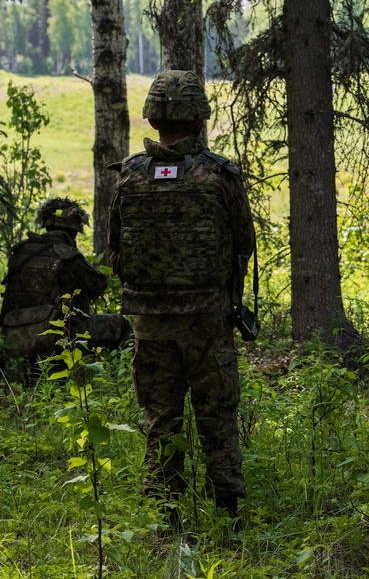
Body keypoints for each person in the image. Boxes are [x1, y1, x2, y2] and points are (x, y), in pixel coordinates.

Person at [108, 69, 255, 528]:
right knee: (217, 419)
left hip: (150, 325)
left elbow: (114, 249)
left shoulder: (129, 178)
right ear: (198, 119)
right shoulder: (220, 176)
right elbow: (243, 241)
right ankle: (229, 519)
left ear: (152, 118)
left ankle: (164, 518)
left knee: (160, 421)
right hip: (208, 323)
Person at [0, 198, 131, 375]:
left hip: (15, 337)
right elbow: (98, 286)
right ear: (75, 228)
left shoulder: (21, 251)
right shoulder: (67, 256)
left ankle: (36, 378)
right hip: (57, 337)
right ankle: (119, 377)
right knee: (122, 325)